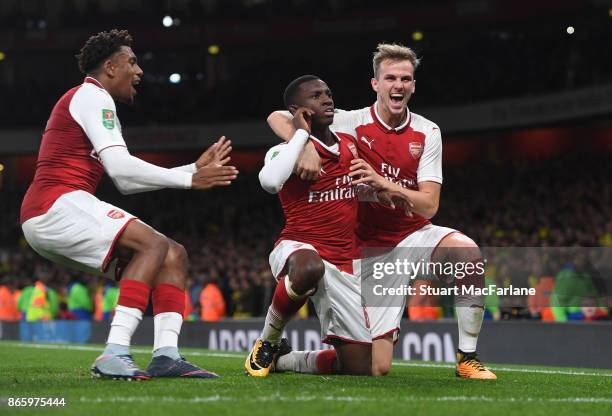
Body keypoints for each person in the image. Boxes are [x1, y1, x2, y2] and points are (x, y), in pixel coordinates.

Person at [20, 29, 238, 380]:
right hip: (55, 204)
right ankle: (114, 352)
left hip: (53, 212)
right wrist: (187, 180)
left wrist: (192, 170)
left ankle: (166, 355)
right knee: (152, 245)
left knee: (173, 254)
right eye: (132, 62)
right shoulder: (93, 96)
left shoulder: (89, 100)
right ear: (109, 66)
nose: (139, 72)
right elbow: (122, 174)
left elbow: (128, 179)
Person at [267, 44, 496, 379]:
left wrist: (386, 186)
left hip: (411, 236)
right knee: (375, 368)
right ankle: (285, 359)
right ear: (375, 83)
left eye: (406, 78)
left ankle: (467, 357)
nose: (398, 85)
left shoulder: (428, 132)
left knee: (467, 254)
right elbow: (277, 115)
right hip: (365, 252)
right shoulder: (348, 122)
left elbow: (430, 203)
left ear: (414, 85)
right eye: (390, 78)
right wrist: (303, 145)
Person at [245, 75, 410, 377]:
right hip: (299, 248)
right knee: (309, 267)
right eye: (316, 96)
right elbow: (269, 182)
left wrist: (381, 193)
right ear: (298, 110)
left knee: (361, 368)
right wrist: (300, 136)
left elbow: (353, 189)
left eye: (329, 93)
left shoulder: (350, 146)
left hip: (342, 262)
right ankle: (268, 341)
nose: (327, 99)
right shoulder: (286, 149)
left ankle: (285, 360)